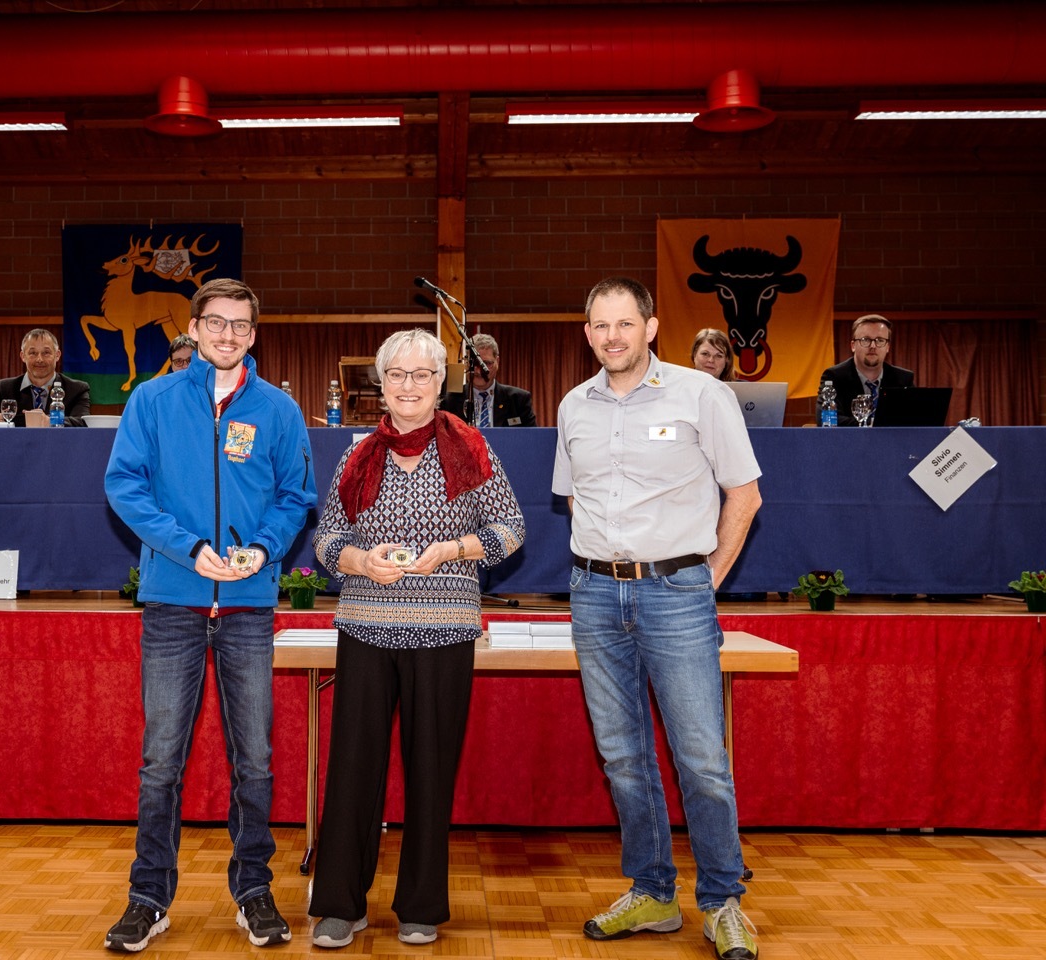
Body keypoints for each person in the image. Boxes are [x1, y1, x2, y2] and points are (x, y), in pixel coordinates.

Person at [102, 278, 318, 954]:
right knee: (160, 761)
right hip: (174, 601)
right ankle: (148, 898)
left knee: (254, 760)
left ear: (254, 334)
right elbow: (123, 485)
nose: (228, 335)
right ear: (193, 329)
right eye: (216, 323)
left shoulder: (279, 409)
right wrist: (189, 548)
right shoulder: (152, 400)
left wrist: (262, 549)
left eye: (240, 325)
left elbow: (296, 495)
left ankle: (254, 891)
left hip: (248, 607)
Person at [552, 277, 763, 960]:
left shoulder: (703, 395)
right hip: (593, 595)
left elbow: (745, 495)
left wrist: (705, 580)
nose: (612, 336)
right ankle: (652, 892)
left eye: (625, 323)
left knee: (701, 759)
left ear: (650, 327)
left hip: (677, 594)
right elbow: (577, 499)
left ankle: (723, 901)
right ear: (588, 333)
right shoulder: (573, 406)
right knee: (622, 757)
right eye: (600, 325)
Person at [308, 329, 525, 949]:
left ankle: (421, 904)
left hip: (445, 627)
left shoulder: (473, 447)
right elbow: (326, 539)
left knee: (431, 768)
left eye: (422, 374)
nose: (409, 385)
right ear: (382, 384)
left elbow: (511, 529)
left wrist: (452, 550)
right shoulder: (357, 455)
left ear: (440, 383)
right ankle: (339, 903)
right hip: (366, 626)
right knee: (353, 767)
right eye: (397, 375)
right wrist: (358, 560)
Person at [0, 328, 91, 427]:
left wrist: (52, 421)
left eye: (46, 353)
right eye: (33, 353)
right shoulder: (6, 388)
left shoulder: (77, 389)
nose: (39, 359)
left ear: (57, 355)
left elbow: (83, 423)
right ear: (23, 356)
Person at [820, 314, 914, 425]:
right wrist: (872, 424)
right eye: (865, 340)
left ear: (888, 347)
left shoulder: (903, 379)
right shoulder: (834, 377)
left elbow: (914, 419)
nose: (873, 346)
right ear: (853, 346)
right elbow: (827, 420)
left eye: (880, 340)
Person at [441, 332, 537, 427]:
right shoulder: (450, 400)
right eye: (474, 363)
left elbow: (531, 435)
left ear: (497, 361)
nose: (479, 371)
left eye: (486, 363)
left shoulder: (518, 400)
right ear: (466, 362)